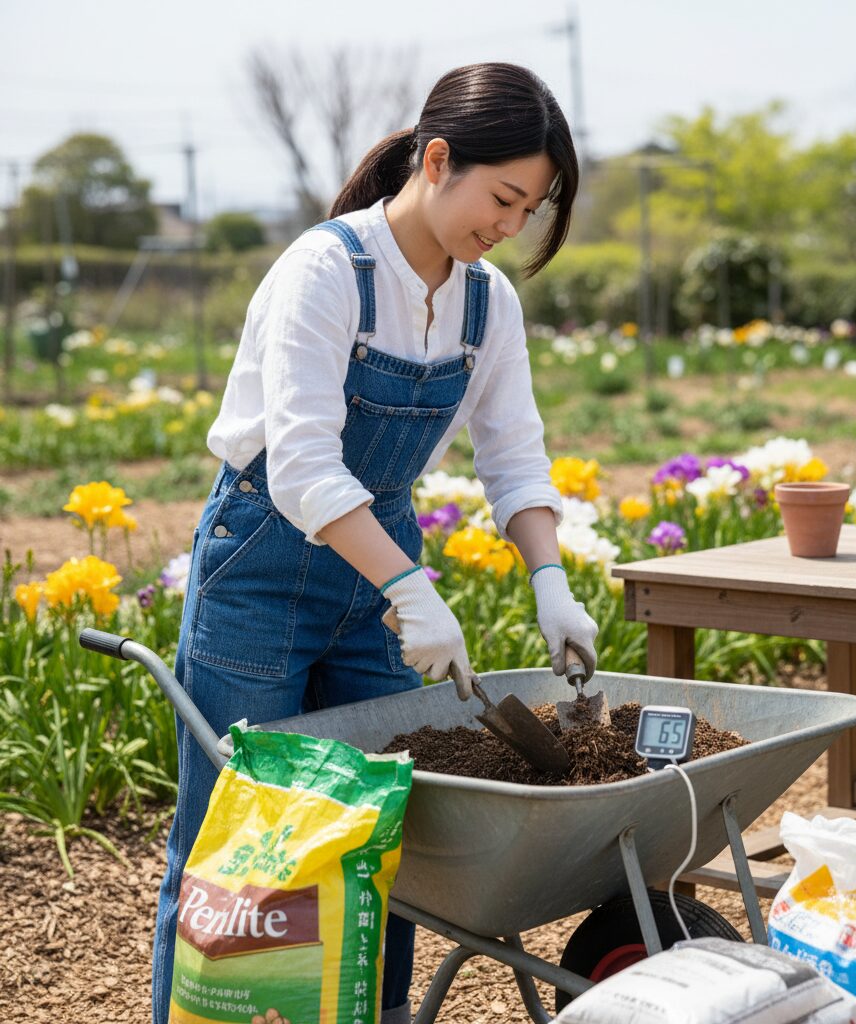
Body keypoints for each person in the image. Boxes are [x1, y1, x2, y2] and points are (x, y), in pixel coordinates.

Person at [153, 62, 600, 1024]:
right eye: (504, 198)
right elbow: (302, 468)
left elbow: (516, 459)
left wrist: (550, 580)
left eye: (531, 209)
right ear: (438, 160)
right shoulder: (327, 269)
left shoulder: (488, 304)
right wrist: (411, 587)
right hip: (261, 568)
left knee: (376, 834)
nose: (511, 226)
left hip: (379, 562)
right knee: (236, 842)